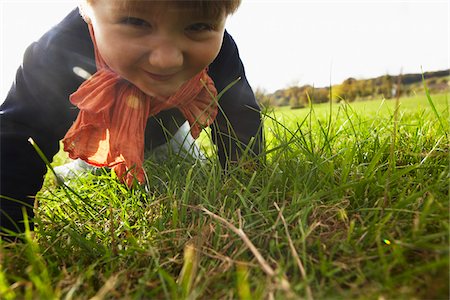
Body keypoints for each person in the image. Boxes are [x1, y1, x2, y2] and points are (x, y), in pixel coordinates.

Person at [0, 0, 263, 237]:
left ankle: (176, 151)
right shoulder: (60, 49)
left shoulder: (222, 52)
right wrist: (8, 230)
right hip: (106, 141)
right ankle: (74, 170)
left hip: (168, 135)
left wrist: (249, 190)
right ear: (88, 10)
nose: (166, 60)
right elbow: (22, 131)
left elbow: (239, 117)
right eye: (135, 22)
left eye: (198, 26)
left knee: (180, 161)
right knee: (92, 172)